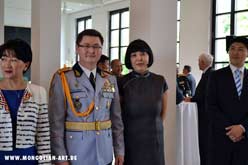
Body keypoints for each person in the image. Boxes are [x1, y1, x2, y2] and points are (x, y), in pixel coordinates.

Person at [48, 29, 124, 165]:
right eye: (86, 46)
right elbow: (56, 123)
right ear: (77, 48)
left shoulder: (110, 79)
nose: (91, 50)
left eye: (96, 46)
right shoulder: (64, 79)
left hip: (104, 153)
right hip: (76, 154)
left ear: (101, 50)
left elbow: (116, 119)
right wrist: (60, 157)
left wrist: (119, 150)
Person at [0, 39, 51, 165]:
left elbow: (43, 135)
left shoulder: (39, 92)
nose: (7, 64)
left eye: (14, 60)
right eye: (3, 59)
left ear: (26, 65)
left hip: (27, 159)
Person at [118, 39, 168, 165]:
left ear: (149, 56)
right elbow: (117, 116)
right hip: (130, 140)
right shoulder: (121, 82)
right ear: (129, 59)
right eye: (134, 55)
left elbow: (162, 113)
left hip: (155, 140)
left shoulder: (160, 80)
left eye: (143, 54)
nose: (139, 58)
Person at [206, 35, 248, 165]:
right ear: (228, 52)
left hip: (245, 139)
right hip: (221, 138)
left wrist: (242, 127)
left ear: (247, 53)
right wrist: (231, 130)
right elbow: (210, 106)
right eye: (232, 48)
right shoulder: (215, 76)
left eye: (241, 49)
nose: (236, 52)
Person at [184, 53, 214, 165]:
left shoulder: (209, 74)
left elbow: (203, 94)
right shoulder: (208, 73)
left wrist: (191, 99)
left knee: (204, 140)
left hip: (205, 113)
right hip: (205, 112)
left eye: (198, 61)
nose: (197, 63)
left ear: (203, 62)